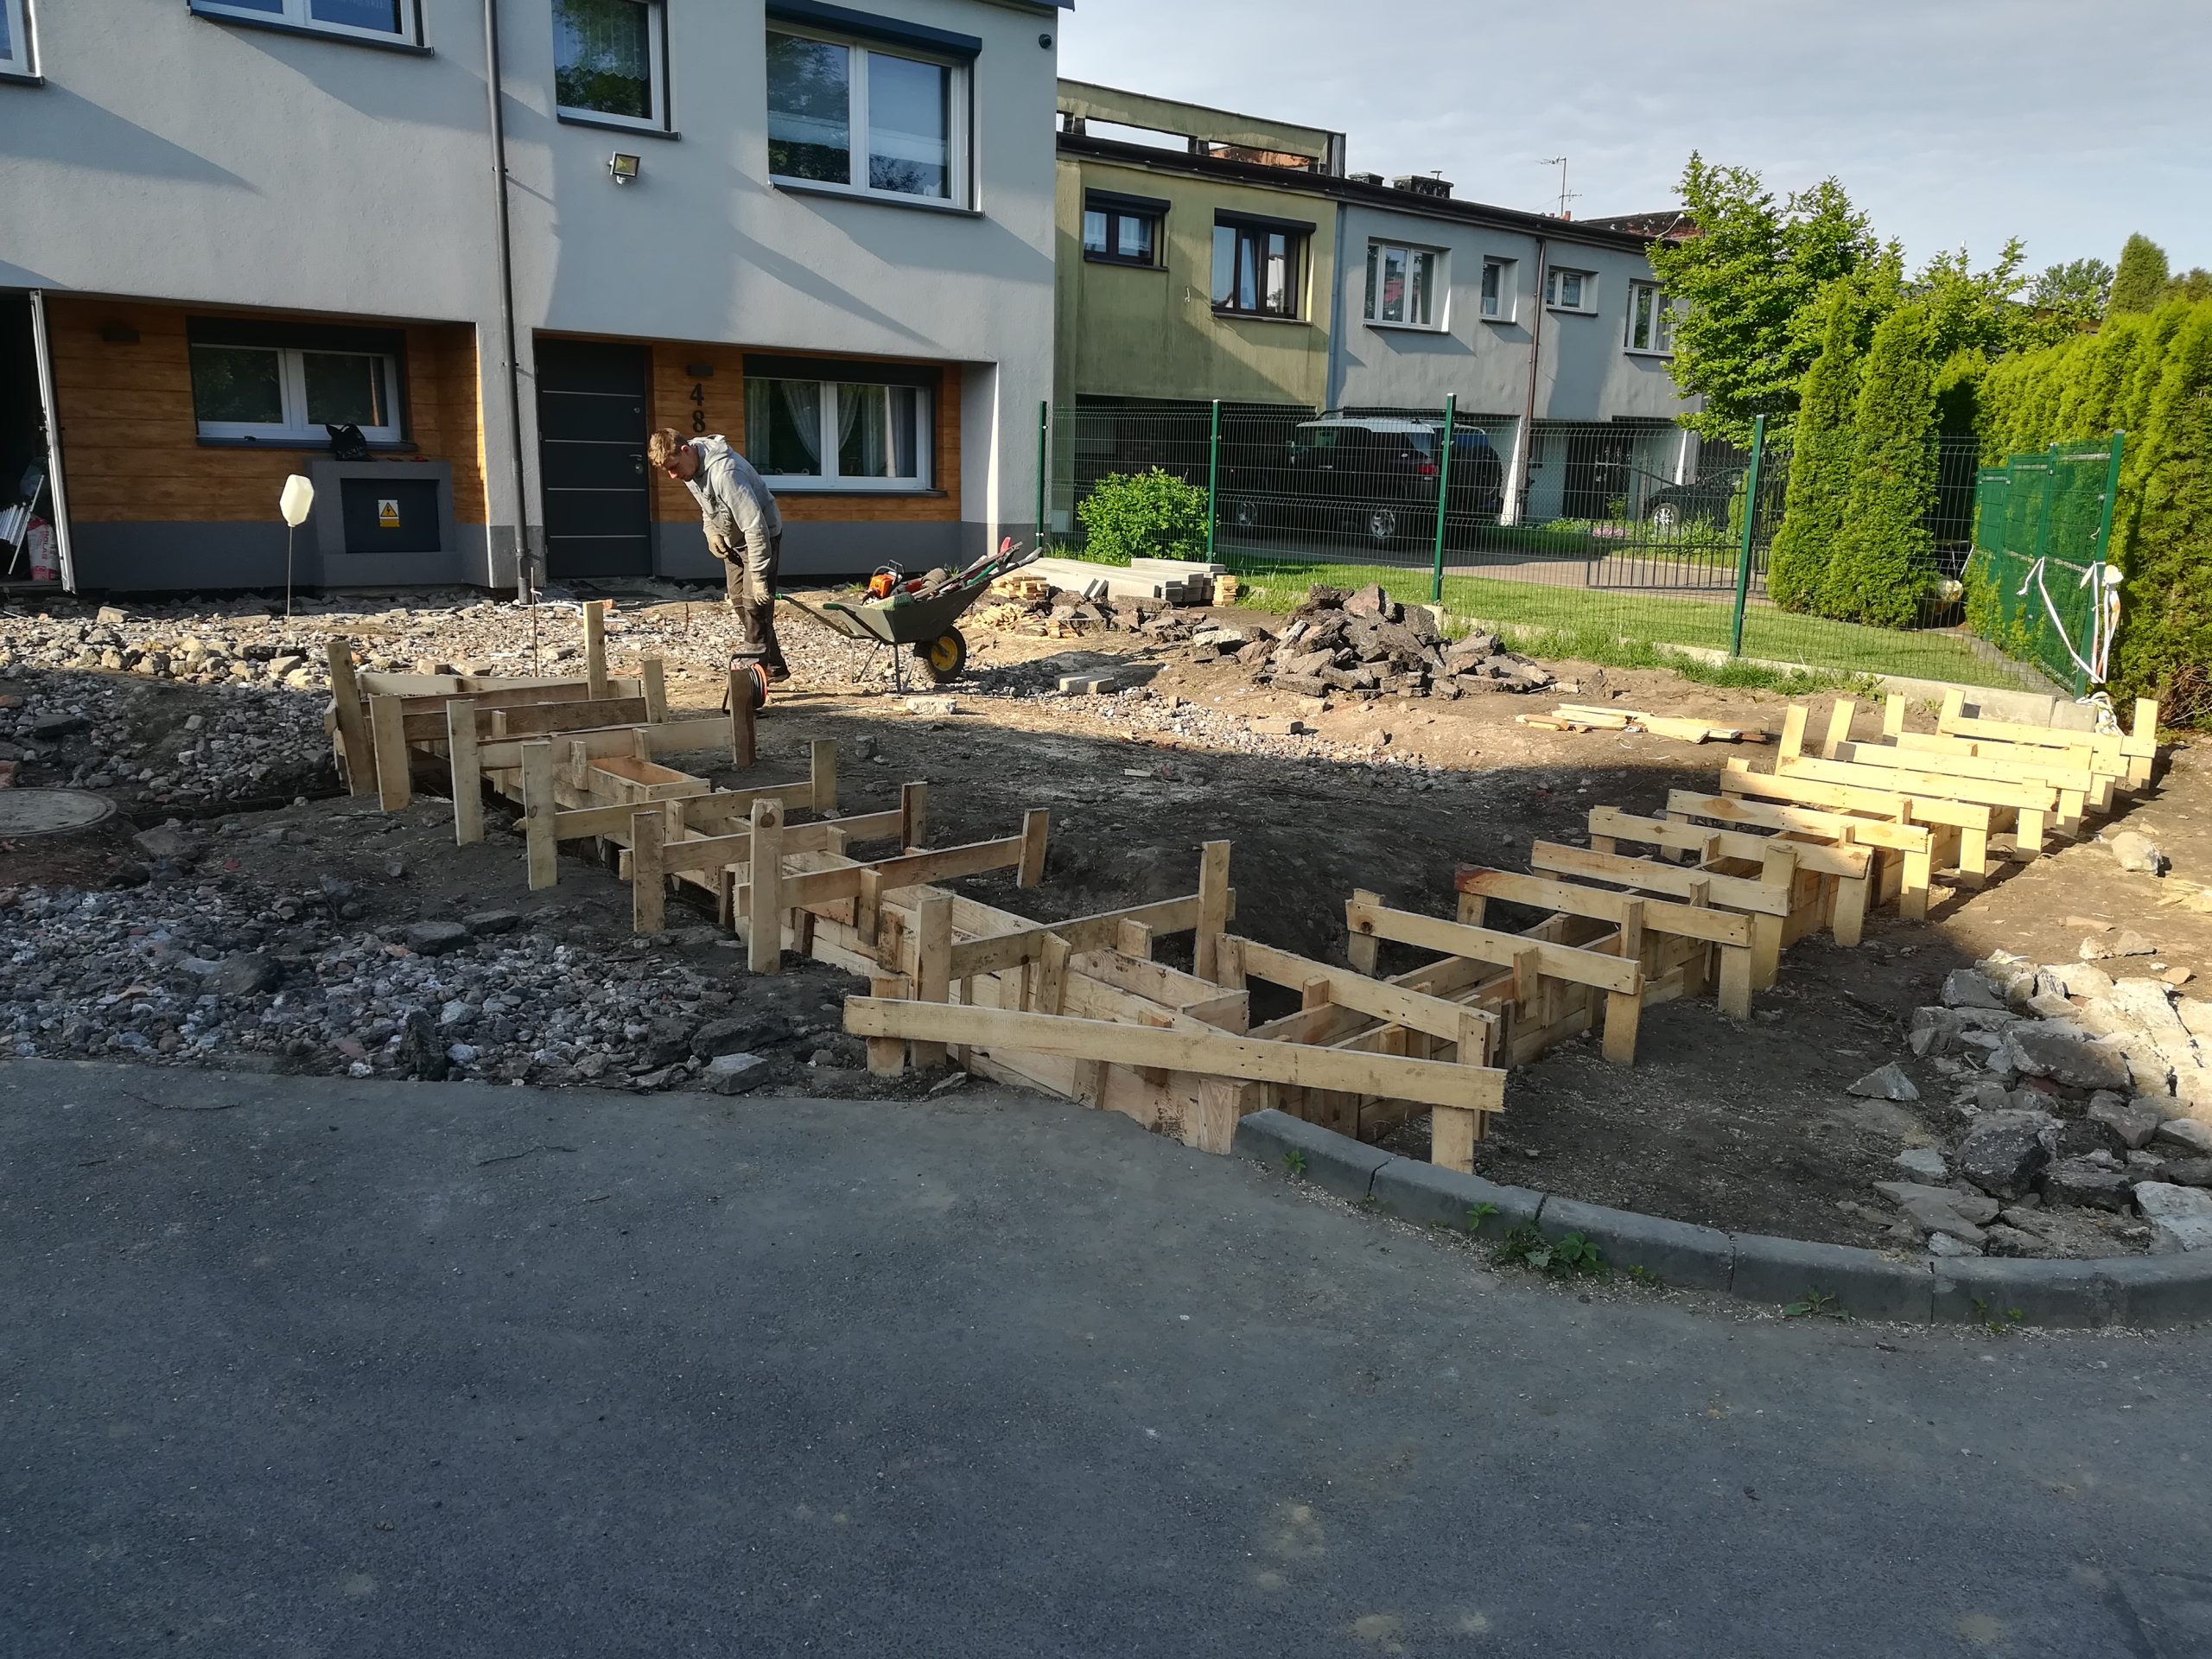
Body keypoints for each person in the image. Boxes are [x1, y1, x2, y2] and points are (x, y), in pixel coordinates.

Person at [647, 426, 789, 683]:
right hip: (733, 538)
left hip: (760, 537)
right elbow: (708, 505)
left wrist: (759, 576)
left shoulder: (726, 474)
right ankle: (775, 665)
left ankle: (754, 673)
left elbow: (755, 526)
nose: (672, 475)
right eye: (667, 470)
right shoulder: (691, 470)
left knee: (755, 604)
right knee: (739, 601)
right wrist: (711, 532)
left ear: (686, 450)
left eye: (674, 467)